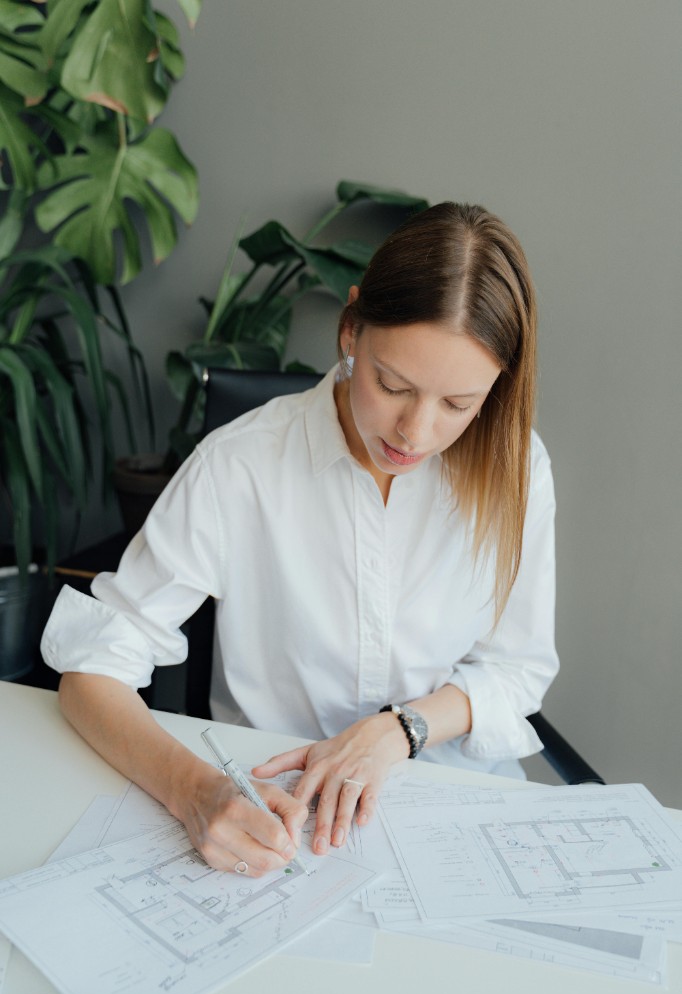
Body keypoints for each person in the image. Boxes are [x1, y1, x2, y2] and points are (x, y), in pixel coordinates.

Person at [41, 201, 558, 879]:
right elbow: (92, 671)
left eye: (458, 405)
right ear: (351, 329)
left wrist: (401, 730)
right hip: (278, 824)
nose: (415, 433)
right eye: (392, 384)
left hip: (451, 809)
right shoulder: (241, 466)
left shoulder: (517, 468)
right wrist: (197, 793)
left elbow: (517, 669)